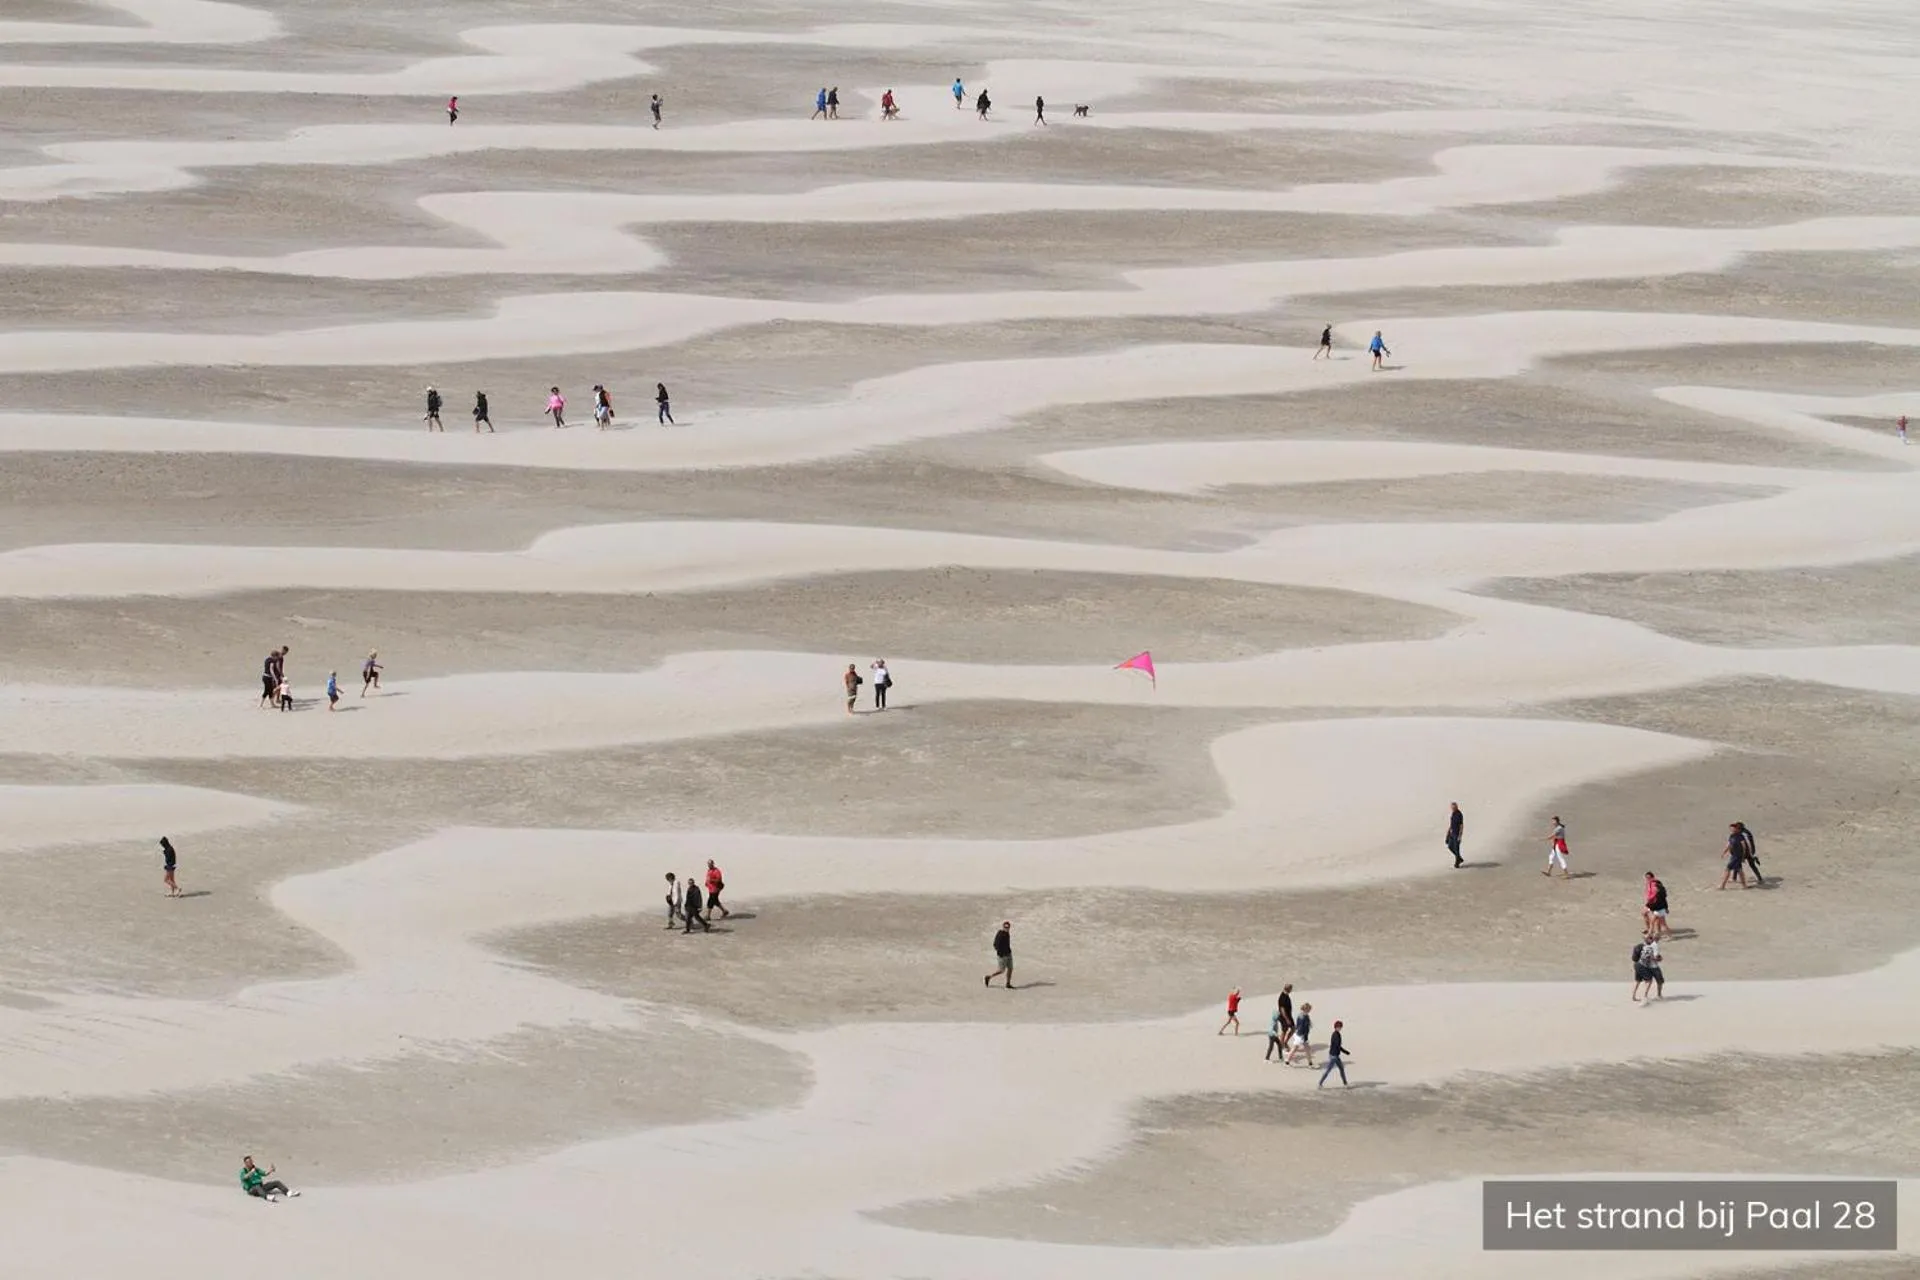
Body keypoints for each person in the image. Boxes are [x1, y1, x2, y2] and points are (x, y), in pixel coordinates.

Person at [1318, 1020, 1351, 1088]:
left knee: (1341, 1069)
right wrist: (1345, 1052)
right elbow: (1337, 1046)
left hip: (1335, 1055)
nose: (1340, 1028)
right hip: (1334, 1056)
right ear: (1336, 1027)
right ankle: (1320, 1083)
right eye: (1339, 1027)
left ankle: (1345, 1083)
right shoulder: (1336, 1035)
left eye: (1340, 1027)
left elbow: (1337, 1045)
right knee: (1328, 1070)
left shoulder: (1336, 1034)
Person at [1719, 822, 1748, 890]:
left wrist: (1743, 857)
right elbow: (1729, 845)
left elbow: (1744, 847)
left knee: (1728, 868)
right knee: (1739, 870)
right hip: (1734, 855)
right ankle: (1744, 886)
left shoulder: (1740, 837)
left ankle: (1722, 886)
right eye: (1732, 827)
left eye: (1735, 827)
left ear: (1738, 829)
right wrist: (1724, 852)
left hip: (1737, 856)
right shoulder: (1732, 836)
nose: (1732, 828)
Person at [984, 920, 1012, 987]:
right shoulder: (1000, 934)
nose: (1007, 928)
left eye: (1008, 927)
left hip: (1008, 954)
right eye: (1005, 927)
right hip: (1002, 956)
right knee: (1001, 970)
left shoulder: (1007, 934)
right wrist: (1001, 953)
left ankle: (1008, 984)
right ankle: (989, 977)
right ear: (1003, 927)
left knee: (1010, 968)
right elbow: (995, 945)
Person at [1735, 821, 1763, 887]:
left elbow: (1749, 844)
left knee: (1750, 864)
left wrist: (1751, 854)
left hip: (1748, 851)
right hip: (1747, 851)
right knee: (1737, 863)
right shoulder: (1743, 832)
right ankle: (1759, 878)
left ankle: (1760, 878)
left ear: (1740, 828)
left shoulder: (1744, 834)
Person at [1644, 872, 1671, 939]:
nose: (1654, 889)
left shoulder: (1658, 896)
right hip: (1660, 910)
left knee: (1661, 924)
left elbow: (1656, 904)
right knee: (1658, 923)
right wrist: (1666, 908)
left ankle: (1652, 934)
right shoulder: (1659, 894)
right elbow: (1664, 901)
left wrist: (1649, 907)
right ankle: (1650, 934)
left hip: (1659, 910)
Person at [1639, 934, 1665, 1000]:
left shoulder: (1645, 945)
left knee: (1647, 981)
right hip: (1654, 967)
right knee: (1660, 981)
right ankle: (1659, 995)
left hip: (1645, 966)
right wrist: (1660, 959)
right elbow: (1655, 957)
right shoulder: (1655, 945)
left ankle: (1645, 995)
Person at [1276, 982, 1295, 1051]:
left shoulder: (1286, 995)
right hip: (1284, 1017)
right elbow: (1282, 1009)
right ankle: (1282, 1045)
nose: (1291, 990)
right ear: (1288, 989)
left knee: (1293, 1028)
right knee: (1284, 1031)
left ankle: (1285, 1042)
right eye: (1291, 989)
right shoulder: (1283, 997)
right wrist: (1287, 1019)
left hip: (1289, 1016)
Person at [1446, 801, 1465, 868]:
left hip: (1456, 834)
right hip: (1452, 833)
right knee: (1450, 846)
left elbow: (1461, 825)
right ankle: (1459, 858)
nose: (1453, 808)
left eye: (1454, 807)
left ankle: (1457, 863)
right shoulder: (1453, 814)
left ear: (1457, 807)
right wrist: (1447, 834)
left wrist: (1460, 836)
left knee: (1457, 849)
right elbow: (1451, 824)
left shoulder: (1459, 814)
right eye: (1452, 807)